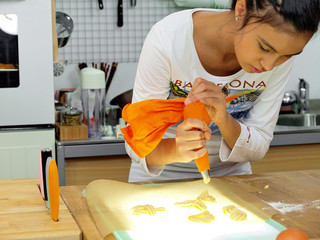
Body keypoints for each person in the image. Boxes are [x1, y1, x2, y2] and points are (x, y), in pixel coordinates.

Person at [125, 0, 320, 182]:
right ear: (241, 10)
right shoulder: (169, 38)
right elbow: (136, 144)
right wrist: (176, 149)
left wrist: (224, 119)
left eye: (286, 55)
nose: (270, 66)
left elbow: (258, 146)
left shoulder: (276, 60)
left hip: (231, 181)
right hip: (157, 181)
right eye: (264, 47)